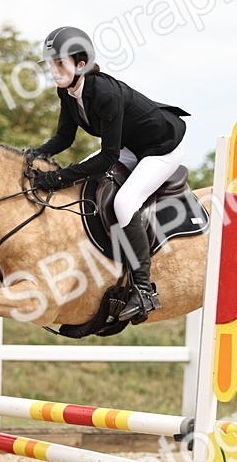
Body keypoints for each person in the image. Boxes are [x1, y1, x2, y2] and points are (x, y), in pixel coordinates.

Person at [28, 26, 190, 324]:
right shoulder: (66, 92)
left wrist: (59, 178)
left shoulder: (104, 93)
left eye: (59, 63)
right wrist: (34, 155)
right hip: (131, 145)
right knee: (88, 186)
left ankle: (143, 291)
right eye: (51, 64)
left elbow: (107, 158)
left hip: (160, 148)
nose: (53, 70)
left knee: (125, 202)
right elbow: (64, 138)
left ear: (81, 64)